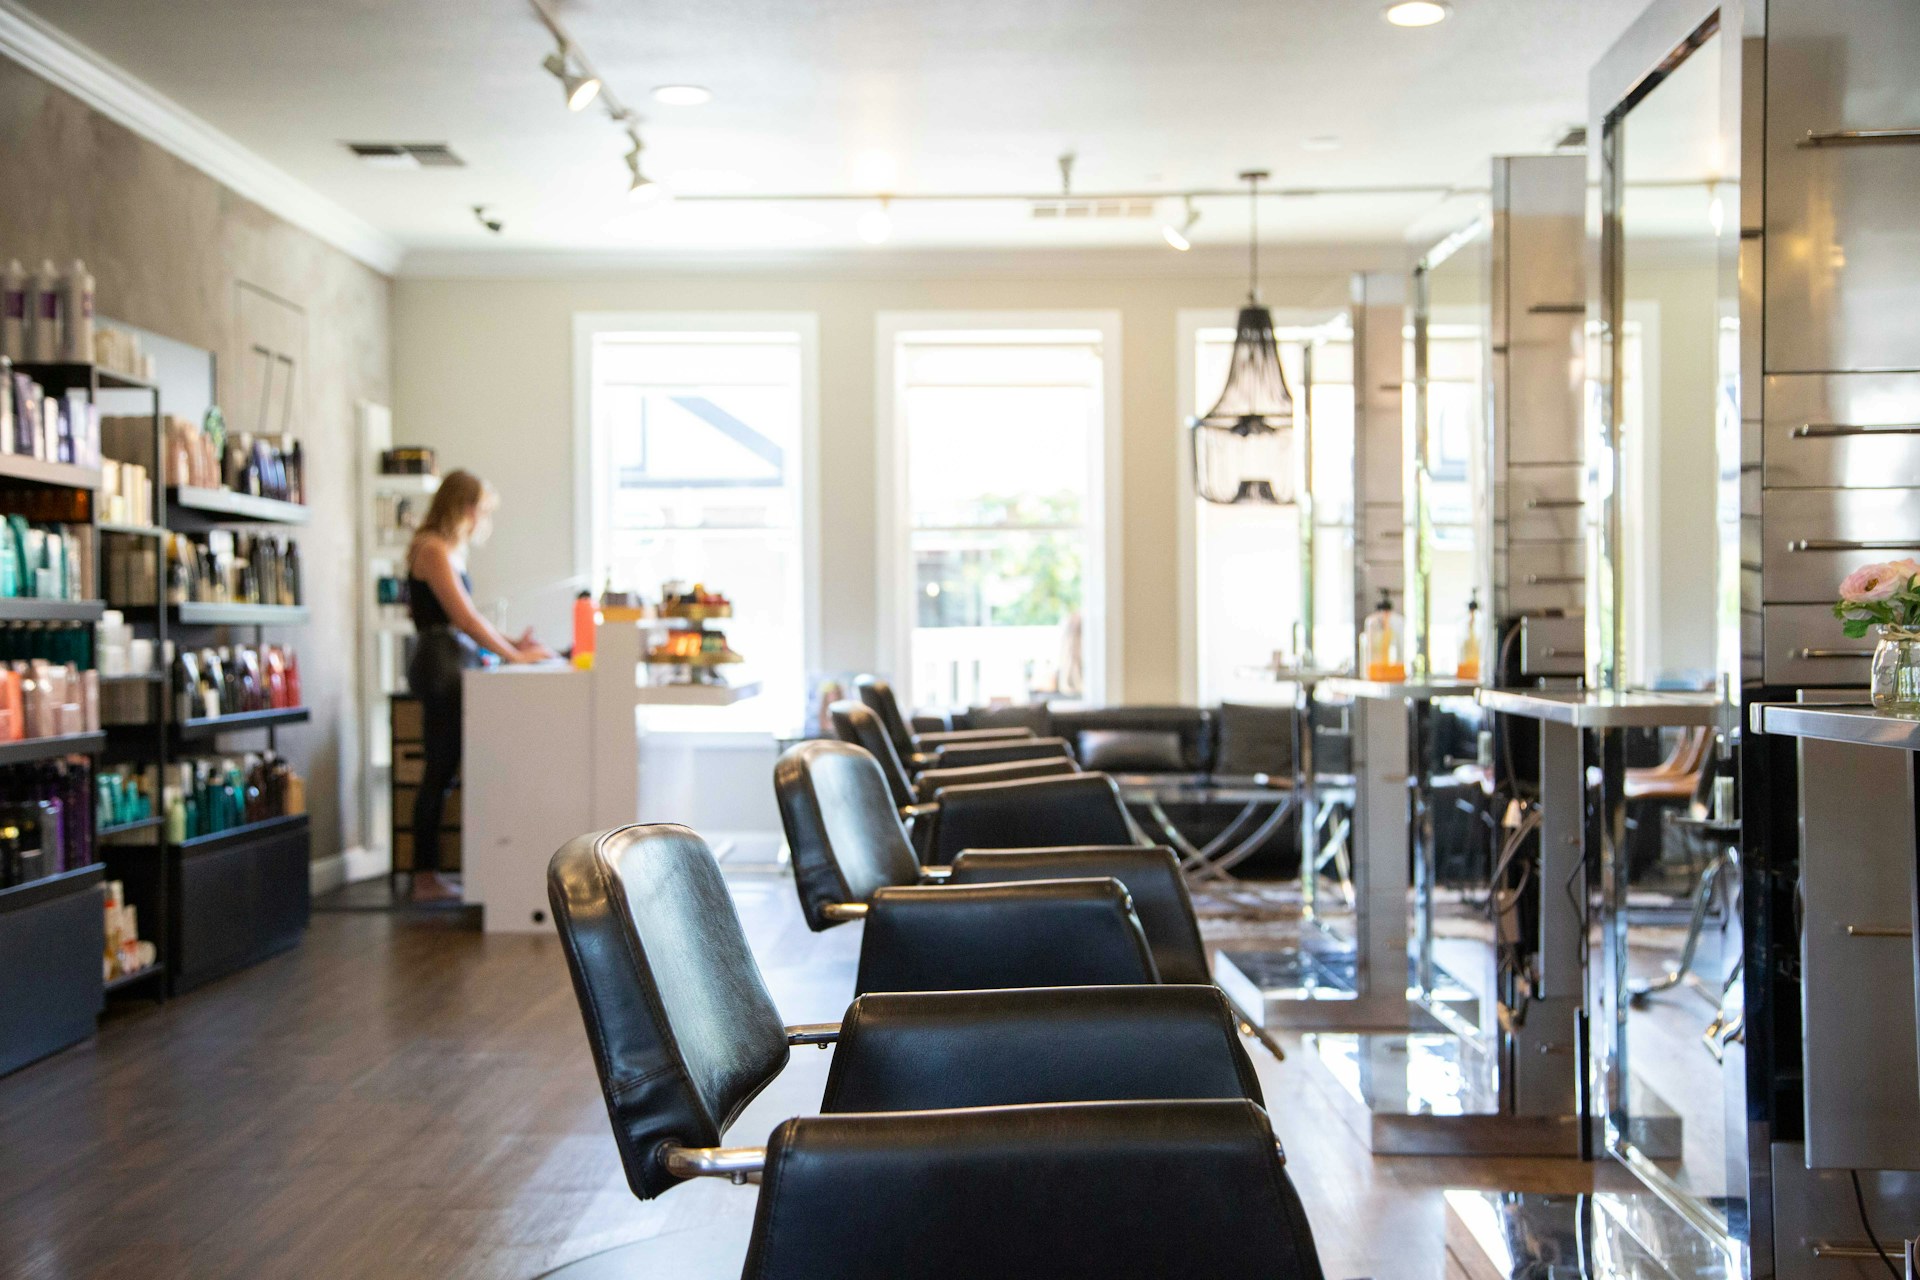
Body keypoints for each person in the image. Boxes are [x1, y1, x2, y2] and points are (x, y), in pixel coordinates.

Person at [404, 470, 551, 901]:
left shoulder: (446, 550)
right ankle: (425, 878)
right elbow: (465, 618)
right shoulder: (432, 549)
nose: (482, 519)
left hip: (452, 661)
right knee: (440, 768)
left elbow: (469, 619)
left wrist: (514, 645)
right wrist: (514, 655)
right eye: (481, 509)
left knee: (447, 767)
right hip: (440, 666)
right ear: (465, 507)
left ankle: (434, 874)